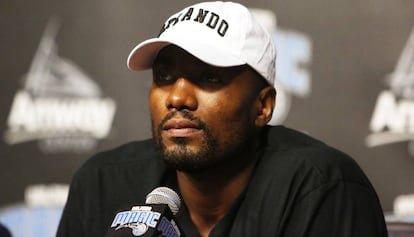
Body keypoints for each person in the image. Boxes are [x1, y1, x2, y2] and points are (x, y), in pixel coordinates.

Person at [57, 1, 388, 237]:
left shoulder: (320, 187)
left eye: (209, 79)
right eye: (164, 77)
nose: (177, 98)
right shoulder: (103, 184)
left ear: (263, 107)